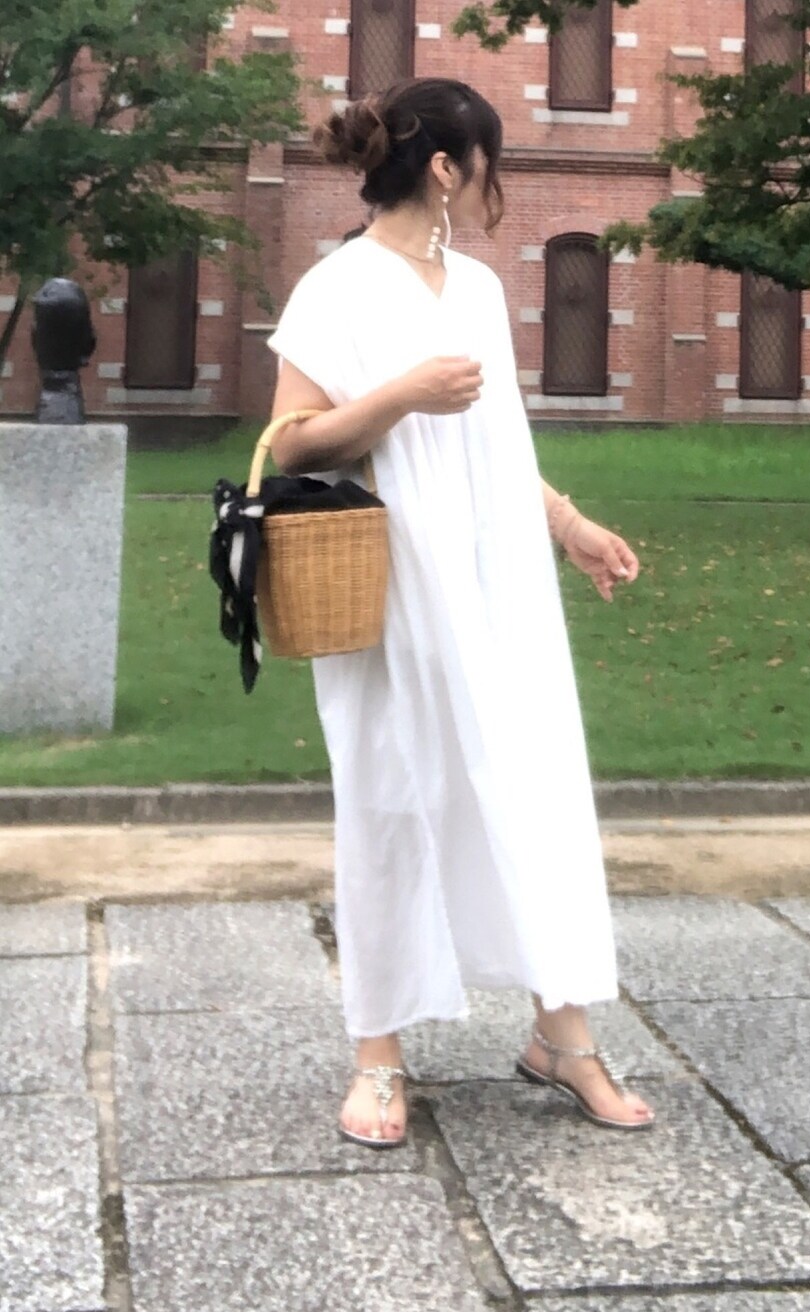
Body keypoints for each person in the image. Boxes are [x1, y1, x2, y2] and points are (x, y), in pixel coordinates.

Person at [266, 77, 655, 1148]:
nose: (497, 183)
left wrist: (567, 524)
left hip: (499, 583)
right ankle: (377, 1054)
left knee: (532, 788)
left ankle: (561, 1035)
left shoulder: (478, 289)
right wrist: (400, 395)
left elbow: (497, 446)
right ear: (447, 167)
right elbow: (289, 441)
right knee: (392, 797)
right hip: (391, 587)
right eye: (492, 161)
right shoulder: (336, 286)